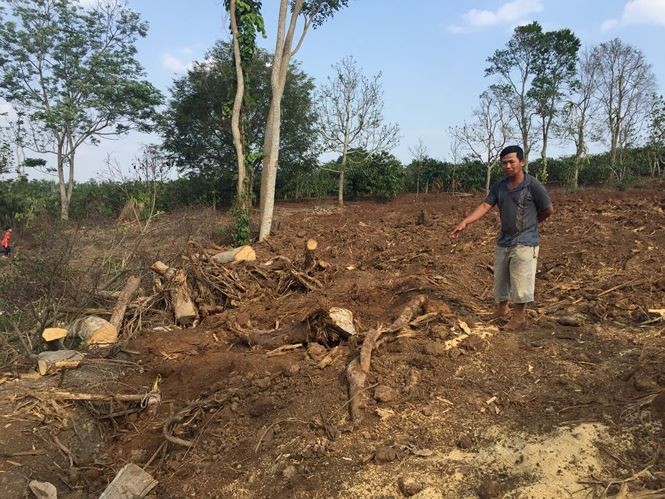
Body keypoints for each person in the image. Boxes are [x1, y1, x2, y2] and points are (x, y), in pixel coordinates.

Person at [451, 145, 554, 330]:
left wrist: (532, 223)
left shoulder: (532, 185)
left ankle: (519, 317)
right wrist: (466, 222)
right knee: (501, 277)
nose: (507, 166)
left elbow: (548, 210)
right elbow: (485, 205)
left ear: (521, 162)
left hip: (525, 241)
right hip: (504, 240)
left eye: (511, 162)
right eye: (504, 163)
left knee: (521, 279)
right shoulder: (500, 186)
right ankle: (502, 309)